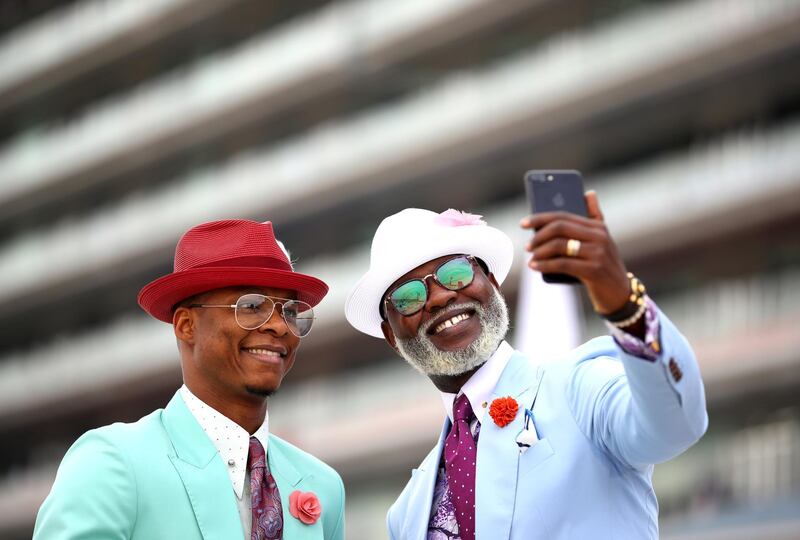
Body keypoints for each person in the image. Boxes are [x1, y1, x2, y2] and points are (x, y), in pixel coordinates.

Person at [344, 193, 707, 540]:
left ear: (493, 284)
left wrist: (627, 308)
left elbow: (674, 425)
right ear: (391, 335)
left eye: (455, 273)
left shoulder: (580, 386)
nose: (440, 297)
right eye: (409, 297)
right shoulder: (407, 512)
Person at [34, 219, 345, 540]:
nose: (280, 327)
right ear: (186, 325)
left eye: (290, 311)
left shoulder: (323, 485)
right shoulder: (111, 465)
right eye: (252, 306)